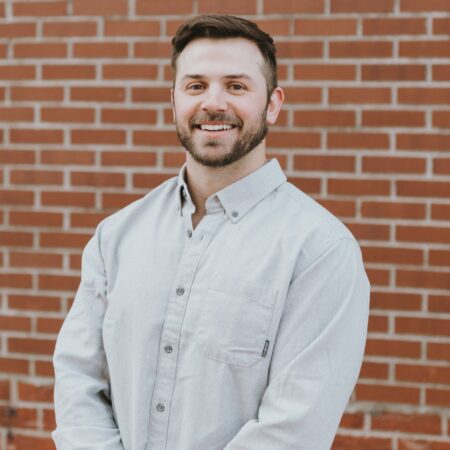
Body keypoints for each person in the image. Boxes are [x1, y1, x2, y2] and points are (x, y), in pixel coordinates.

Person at [52, 14, 370, 450]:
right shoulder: (118, 236)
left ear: (272, 104)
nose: (213, 103)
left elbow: (294, 429)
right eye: (196, 85)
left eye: (236, 86)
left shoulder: (319, 251)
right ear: (175, 100)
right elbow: (79, 379)